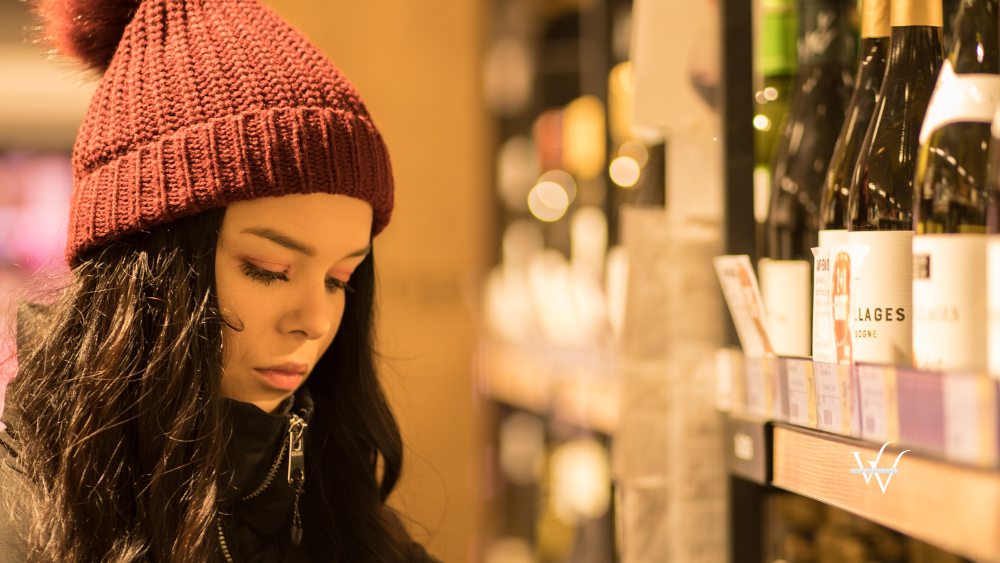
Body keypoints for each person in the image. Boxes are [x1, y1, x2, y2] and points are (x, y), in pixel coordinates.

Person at [0, 0, 439, 561]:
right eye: (269, 270)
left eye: (340, 280)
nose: (315, 321)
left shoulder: (342, 509)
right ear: (146, 272)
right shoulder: (26, 520)